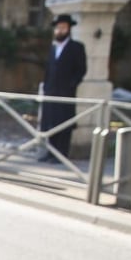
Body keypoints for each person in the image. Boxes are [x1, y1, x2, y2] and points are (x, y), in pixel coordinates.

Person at [39, 13, 87, 162]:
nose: (60, 31)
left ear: (68, 29)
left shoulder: (76, 47)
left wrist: (71, 85)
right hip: (51, 92)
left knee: (64, 124)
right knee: (50, 124)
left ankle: (61, 154)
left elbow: (81, 70)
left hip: (66, 93)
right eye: (58, 28)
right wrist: (46, 87)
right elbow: (48, 70)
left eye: (63, 28)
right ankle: (50, 152)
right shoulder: (53, 48)